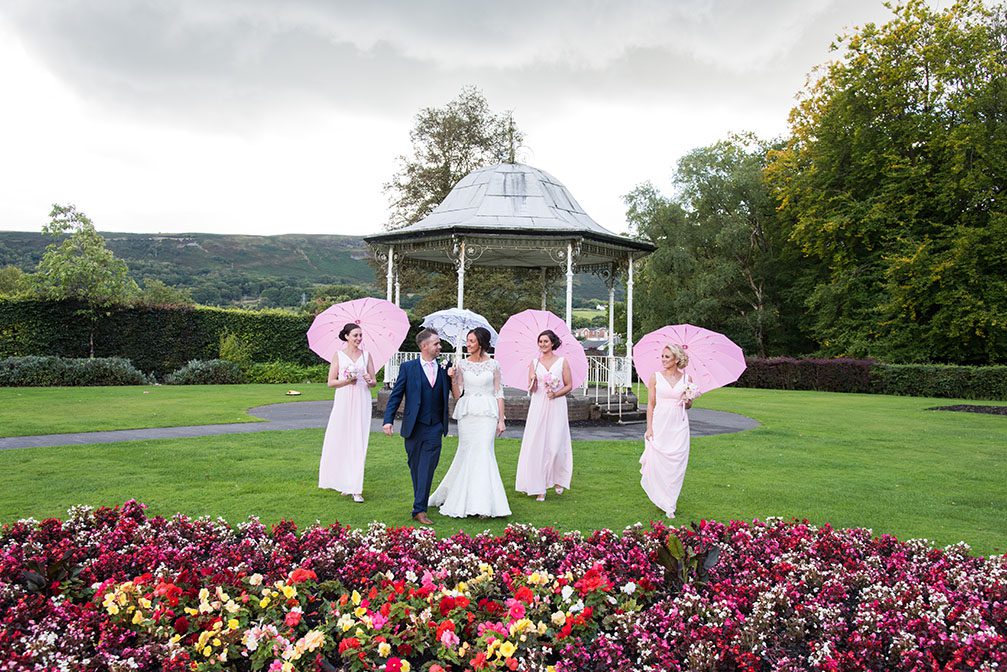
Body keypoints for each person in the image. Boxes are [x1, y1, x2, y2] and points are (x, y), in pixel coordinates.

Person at [429, 327, 511, 518]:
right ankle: (464, 499)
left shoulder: (494, 365)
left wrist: (501, 419)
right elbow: (458, 395)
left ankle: (484, 504)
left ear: (481, 343)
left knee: (484, 452)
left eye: (472, 341)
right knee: (467, 454)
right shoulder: (462, 365)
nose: (468, 344)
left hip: (488, 414)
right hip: (468, 414)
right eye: (467, 340)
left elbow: (499, 393)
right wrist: (452, 379)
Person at [382, 328, 451, 525]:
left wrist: (454, 377)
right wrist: (388, 420)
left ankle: (419, 509)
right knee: (415, 466)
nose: (440, 346)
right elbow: (396, 396)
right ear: (424, 346)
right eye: (436, 343)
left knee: (427, 468)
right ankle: (419, 502)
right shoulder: (408, 368)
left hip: (435, 426)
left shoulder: (446, 367)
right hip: (413, 426)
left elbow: (456, 393)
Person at [319, 322, 377, 502]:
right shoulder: (338, 355)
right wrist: (347, 381)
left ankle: (356, 487)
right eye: (355, 335)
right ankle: (344, 482)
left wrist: (369, 380)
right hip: (344, 400)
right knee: (341, 439)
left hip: (361, 399)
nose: (358, 339)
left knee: (358, 441)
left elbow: (374, 382)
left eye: (360, 335)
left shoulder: (366, 356)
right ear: (346, 336)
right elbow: (330, 382)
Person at [515, 329, 573, 501]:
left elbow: (569, 385)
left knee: (556, 444)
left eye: (546, 341)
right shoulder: (534, 363)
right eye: (540, 341)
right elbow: (530, 388)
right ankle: (539, 486)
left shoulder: (562, 362)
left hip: (556, 404)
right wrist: (533, 380)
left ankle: (558, 478)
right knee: (537, 444)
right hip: (539, 404)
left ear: (553, 343)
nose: (542, 344)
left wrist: (556, 393)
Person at [641, 343, 696, 519]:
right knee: (659, 461)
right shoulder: (655, 377)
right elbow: (650, 404)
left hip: (678, 424)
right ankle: (660, 496)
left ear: (677, 359)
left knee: (677, 463)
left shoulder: (688, 380)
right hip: (660, 422)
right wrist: (649, 428)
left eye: (667, 357)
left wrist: (688, 399)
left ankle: (670, 503)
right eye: (662, 356)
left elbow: (688, 406)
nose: (663, 360)